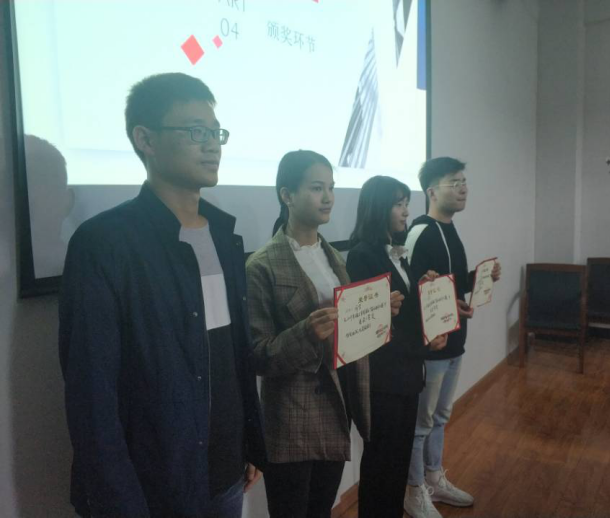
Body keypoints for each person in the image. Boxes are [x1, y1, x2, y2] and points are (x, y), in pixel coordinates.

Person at [59, 72, 266, 518]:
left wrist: (248, 440)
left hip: (225, 469)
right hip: (154, 483)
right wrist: (119, 502)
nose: (212, 146)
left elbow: (230, 355)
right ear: (145, 139)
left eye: (216, 133)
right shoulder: (104, 243)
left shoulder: (224, 236)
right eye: (195, 132)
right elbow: (92, 398)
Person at [246, 151, 389, 517]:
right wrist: (306, 333)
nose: (328, 198)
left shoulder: (333, 257)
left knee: (321, 509)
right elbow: (258, 355)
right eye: (316, 188)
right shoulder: (261, 265)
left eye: (331, 187)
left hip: (336, 405)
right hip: (292, 416)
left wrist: (378, 312)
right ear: (287, 195)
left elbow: (348, 329)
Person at [403, 157, 501, 518]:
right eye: (454, 182)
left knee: (441, 416)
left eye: (464, 181)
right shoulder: (419, 232)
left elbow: (450, 285)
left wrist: (480, 278)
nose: (463, 188)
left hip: (455, 341)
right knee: (421, 423)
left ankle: (434, 478)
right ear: (432, 191)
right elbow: (409, 292)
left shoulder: (450, 228)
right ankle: (413, 491)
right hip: (431, 347)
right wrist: (436, 318)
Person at [346, 176, 447, 518]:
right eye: (398, 204)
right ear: (378, 208)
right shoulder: (362, 255)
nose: (406, 212)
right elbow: (375, 329)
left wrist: (425, 288)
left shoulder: (397, 252)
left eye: (406, 204)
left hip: (406, 375)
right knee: (380, 464)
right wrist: (424, 344)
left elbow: (404, 311)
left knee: (398, 462)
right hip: (383, 380)